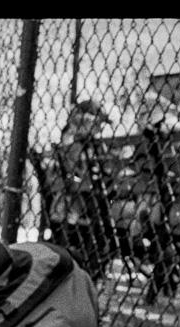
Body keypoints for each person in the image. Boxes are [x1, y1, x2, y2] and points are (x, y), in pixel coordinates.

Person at [42, 100, 119, 276]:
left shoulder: (70, 141)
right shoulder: (82, 143)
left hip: (72, 198)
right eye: (97, 123)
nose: (100, 128)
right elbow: (100, 172)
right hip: (83, 200)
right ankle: (94, 260)